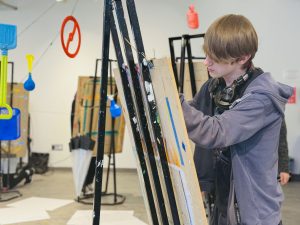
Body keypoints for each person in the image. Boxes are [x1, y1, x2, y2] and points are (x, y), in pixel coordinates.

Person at [180, 14, 293, 225]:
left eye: (215, 57)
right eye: (207, 54)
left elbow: (217, 132)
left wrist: (170, 101)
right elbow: (186, 117)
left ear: (242, 58)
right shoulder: (215, 86)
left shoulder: (262, 98)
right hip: (224, 202)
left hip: (254, 213)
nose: (206, 62)